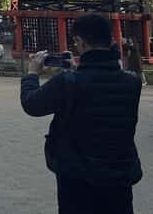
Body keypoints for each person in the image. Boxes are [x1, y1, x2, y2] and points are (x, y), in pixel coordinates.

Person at [21, 13, 142, 213]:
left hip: (78, 174)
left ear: (81, 42)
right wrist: (77, 69)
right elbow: (100, 90)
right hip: (119, 172)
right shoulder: (132, 82)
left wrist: (32, 74)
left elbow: (31, 104)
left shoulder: (68, 82)